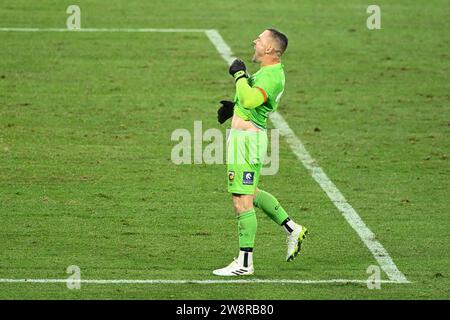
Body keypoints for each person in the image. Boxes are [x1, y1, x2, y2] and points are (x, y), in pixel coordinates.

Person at [213, 29, 308, 276]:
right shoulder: (266, 72)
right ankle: (292, 229)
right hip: (243, 140)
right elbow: (247, 104)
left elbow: (252, 99)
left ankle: (245, 263)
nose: (254, 41)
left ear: (269, 49)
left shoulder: (273, 75)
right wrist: (233, 110)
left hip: (247, 143)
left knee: (240, 200)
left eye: (259, 39)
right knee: (250, 192)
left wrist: (239, 75)